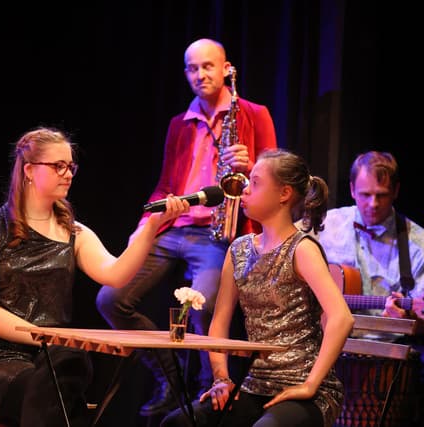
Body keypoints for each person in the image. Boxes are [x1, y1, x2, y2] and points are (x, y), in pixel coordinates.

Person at [0, 127, 189, 427]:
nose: (68, 174)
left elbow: (116, 275)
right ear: (28, 170)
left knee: (62, 371)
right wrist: (45, 339)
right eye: (58, 166)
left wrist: (152, 227)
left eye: (70, 167)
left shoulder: (74, 232)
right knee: (56, 389)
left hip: (52, 359)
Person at [95, 37, 277, 416]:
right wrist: (145, 225)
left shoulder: (254, 113)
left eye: (207, 66)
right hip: (174, 227)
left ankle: (206, 397)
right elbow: (167, 183)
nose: (200, 75)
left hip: (217, 233)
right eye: (193, 69)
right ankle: (168, 373)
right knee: (109, 299)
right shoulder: (179, 123)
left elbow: (275, 178)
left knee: (204, 307)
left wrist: (250, 167)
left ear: (226, 69)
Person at [161, 148, 354, 427]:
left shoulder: (302, 249)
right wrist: (221, 379)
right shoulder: (239, 250)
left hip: (304, 389)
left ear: (284, 194)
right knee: (178, 423)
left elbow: (342, 318)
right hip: (254, 385)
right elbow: (220, 322)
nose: (245, 190)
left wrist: (311, 384)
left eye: (256, 182)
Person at [311, 151, 424, 320]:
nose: (373, 204)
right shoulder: (325, 225)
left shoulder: (419, 244)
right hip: (327, 334)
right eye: (365, 194)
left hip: (387, 337)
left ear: (395, 191)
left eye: (382, 195)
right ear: (352, 190)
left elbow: (420, 315)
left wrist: (408, 317)